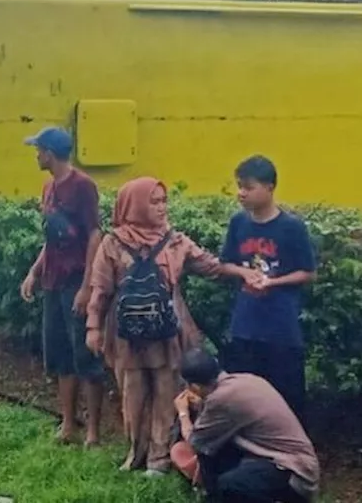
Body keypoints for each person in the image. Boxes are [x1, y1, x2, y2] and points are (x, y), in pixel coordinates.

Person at [85, 177, 264, 476]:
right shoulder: (112, 243)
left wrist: (243, 271)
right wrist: (93, 327)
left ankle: (159, 458)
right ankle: (135, 454)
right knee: (132, 396)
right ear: (135, 205)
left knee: (168, 395)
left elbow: (211, 266)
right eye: (153, 202)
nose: (161, 208)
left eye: (163, 201)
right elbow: (99, 289)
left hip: (169, 332)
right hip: (128, 335)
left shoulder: (175, 241)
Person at [18, 126, 106, 446]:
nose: (37, 156)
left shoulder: (83, 187)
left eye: (39, 151)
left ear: (50, 154)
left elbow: (95, 235)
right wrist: (34, 272)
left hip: (75, 281)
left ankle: (94, 432)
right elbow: (51, 239)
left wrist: (87, 287)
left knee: (85, 356)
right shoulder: (48, 188)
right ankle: (68, 425)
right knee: (59, 355)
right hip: (53, 282)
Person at [219, 155, 317, 419]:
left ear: (270, 187)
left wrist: (273, 282)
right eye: (239, 186)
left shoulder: (291, 227)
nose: (241, 193)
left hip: (280, 327)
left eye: (249, 187)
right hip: (245, 325)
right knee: (243, 397)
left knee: (287, 398)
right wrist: (245, 272)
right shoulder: (238, 223)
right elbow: (224, 264)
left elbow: (308, 272)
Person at [173, 349, 320, 503]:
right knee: (213, 450)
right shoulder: (246, 380)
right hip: (294, 464)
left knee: (231, 485)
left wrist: (183, 412)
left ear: (195, 387)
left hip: (292, 472)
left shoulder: (221, 399)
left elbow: (196, 442)